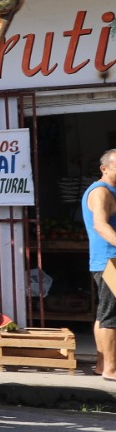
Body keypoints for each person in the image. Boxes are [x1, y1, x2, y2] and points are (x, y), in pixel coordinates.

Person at [83, 148, 116, 380]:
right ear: (104, 168)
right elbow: (100, 225)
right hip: (109, 260)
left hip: (106, 260)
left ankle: (101, 365)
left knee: (104, 314)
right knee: (111, 316)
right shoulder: (101, 191)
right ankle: (111, 370)